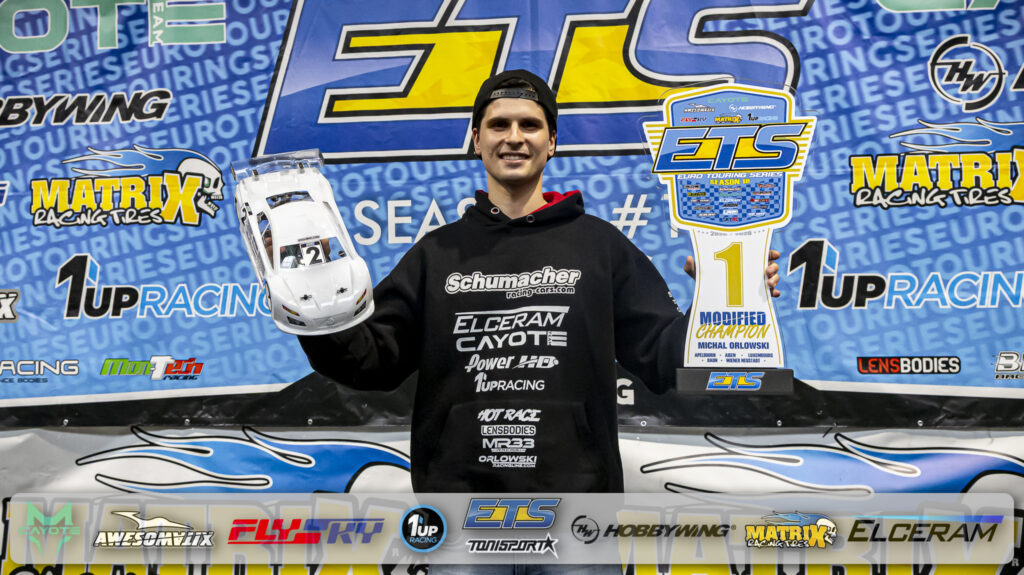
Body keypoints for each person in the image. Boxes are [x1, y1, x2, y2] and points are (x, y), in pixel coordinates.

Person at [298, 69, 781, 494]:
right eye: (499, 125)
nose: (514, 137)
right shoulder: (436, 254)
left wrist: (724, 298)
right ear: (476, 139)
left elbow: (663, 358)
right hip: (457, 505)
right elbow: (370, 362)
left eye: (530, 125)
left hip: (579, 511)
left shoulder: (600, 246)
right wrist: (307, 303)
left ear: (551, 142)